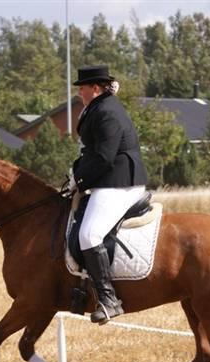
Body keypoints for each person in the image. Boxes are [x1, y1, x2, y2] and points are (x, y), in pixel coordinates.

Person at [68, 65, 149, 324]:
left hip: (119, 183)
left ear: (95, 87)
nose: (79, 92)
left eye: (82, 87)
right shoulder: (98, 108)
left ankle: (109, 300)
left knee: (88, 234)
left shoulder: (108, 112)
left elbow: (104, 157)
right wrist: (74, 171)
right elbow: (92, 153)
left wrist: (79, 179)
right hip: (109, 180)